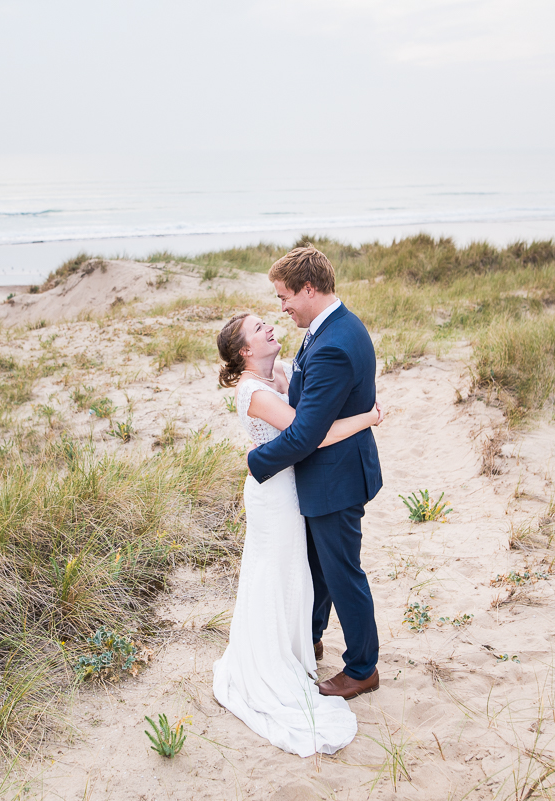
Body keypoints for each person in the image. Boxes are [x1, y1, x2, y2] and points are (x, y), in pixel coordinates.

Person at [212, 311, 382, 757]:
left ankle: (302, 640)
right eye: (258, 328)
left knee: (303, 569)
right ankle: (277, 653)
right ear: (246, 352)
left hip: (298, 487)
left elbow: (313, 390)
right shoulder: (253, 391)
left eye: (268, 319)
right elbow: (312, 435)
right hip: (274, 495)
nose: (270, 325)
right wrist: (368, 418)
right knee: (276, 569)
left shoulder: (285, 369)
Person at [247, 246, 383, 700]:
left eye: (285, 296)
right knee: (319, 567)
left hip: (335, 478)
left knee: (342, 572)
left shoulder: (335, 346)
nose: (281, 306)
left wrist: (257, 463)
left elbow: (306, 434)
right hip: (332, 472)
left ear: (308, 289)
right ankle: (311, 635)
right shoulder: (330, 327)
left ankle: (362, 668)